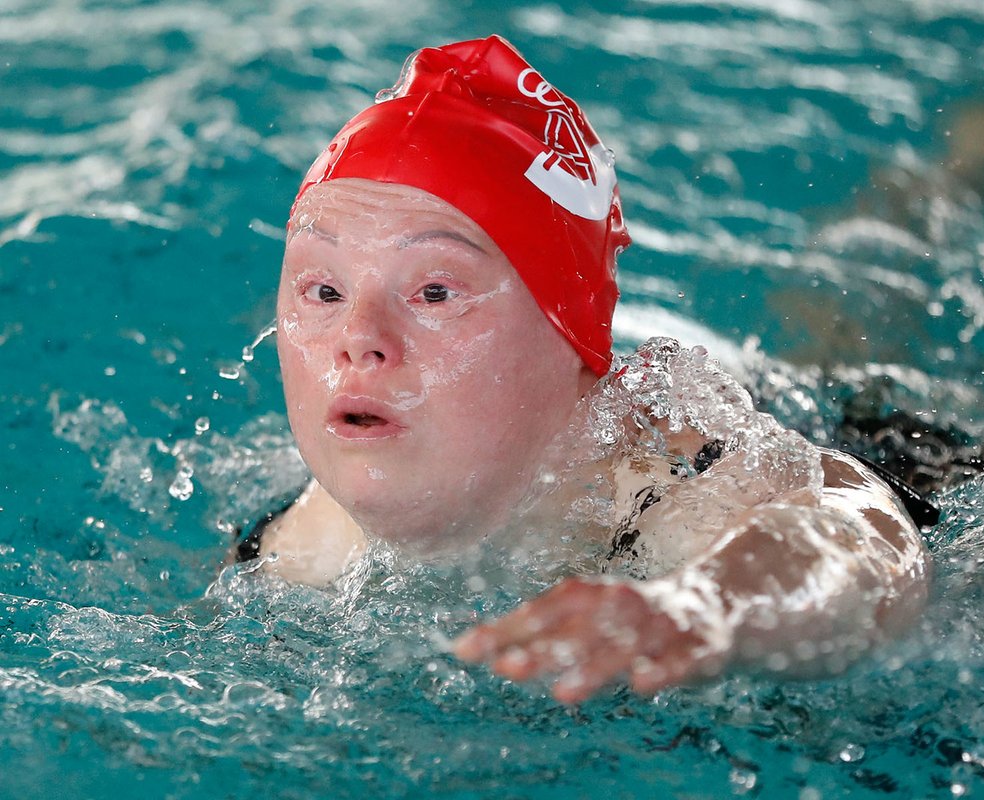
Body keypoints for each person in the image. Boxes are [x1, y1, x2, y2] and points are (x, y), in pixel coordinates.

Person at [242, 35, 933, 703]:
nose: (358, 339)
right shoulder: (294, 548)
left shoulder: (674, 492)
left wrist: (702, 607)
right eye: (324, 291)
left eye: (435, 293)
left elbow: (860, 540)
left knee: (850, 329)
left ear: (569, 335)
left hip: (886, 448)